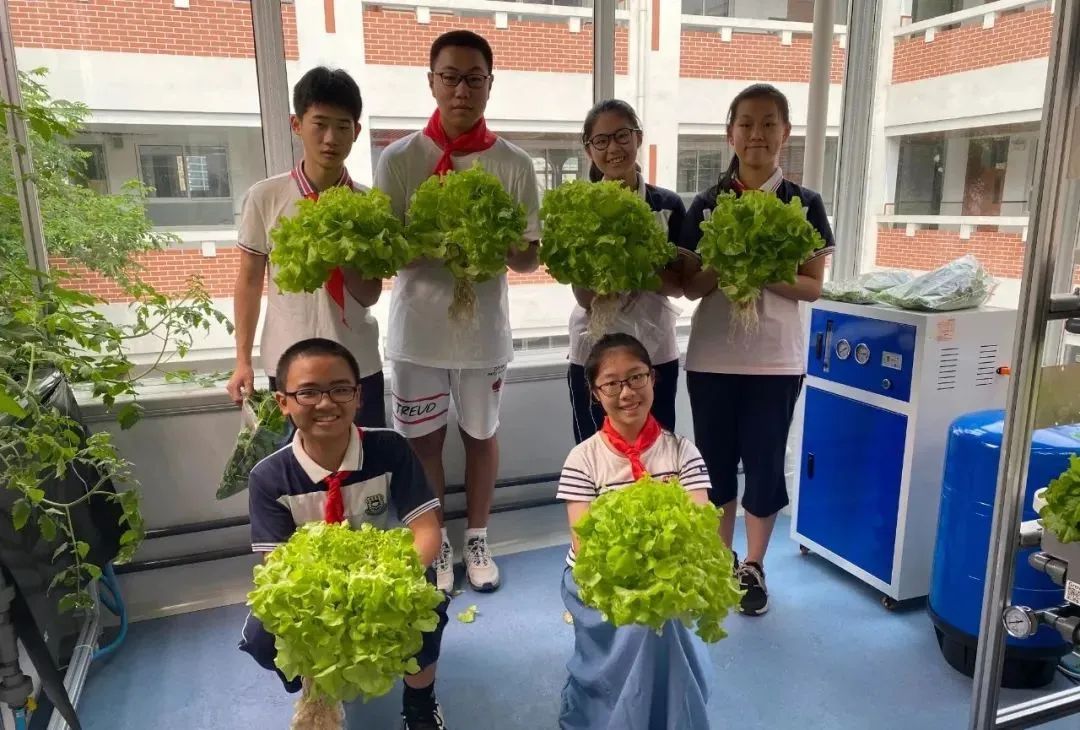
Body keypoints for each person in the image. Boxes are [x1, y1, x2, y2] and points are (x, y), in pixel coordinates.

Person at [373, 30, 541, 593]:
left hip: (483, 332)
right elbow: (387, 251)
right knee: (422, 442)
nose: (462, 89)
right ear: (432, 82)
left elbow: (528, 257)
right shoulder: (400, 159)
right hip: (417, 332)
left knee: (480, 436)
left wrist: (500, 246)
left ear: (490, 85)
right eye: (450, 77)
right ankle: (438, 541)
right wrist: (438, 242)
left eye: (474, 78)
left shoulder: (514, 163)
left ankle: (477, 538)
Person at [679, 83, 835, 617]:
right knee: (716, 467)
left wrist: (763, 269)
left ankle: (754, 565)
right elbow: (690, 287)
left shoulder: (804, 203)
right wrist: (726, 260)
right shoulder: (707, 203)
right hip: (712, 359)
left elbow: (812, 286)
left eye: (769, 123)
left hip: (776, 361)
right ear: (730, 134)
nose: (757, 134)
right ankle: (721, 561)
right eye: (746, 124)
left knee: (765, 467)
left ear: (785, 133)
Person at [238, 337, 449, 730]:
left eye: (339, 389)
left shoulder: (390, 448)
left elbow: (426, 531)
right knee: (263, 638)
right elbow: (276, 563)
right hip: (318, 594)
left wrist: (393, 582)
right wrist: (329, 605)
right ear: (283, 402)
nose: (326, 403)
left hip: (389, 577)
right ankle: (318, 685)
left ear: (358, 396)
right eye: (308, 392)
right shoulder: (269, 477)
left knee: (429, 610)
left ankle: (420, 703)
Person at [557, 333, 714, 730]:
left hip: (669, 578)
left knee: (662, 622)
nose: (626, 392)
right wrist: (640, 582)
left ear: (653, 378)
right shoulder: (582, 459)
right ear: (595, 394)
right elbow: (585, 545)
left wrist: (660, 578)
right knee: (648, 626)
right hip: (599, 581)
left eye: (636, 377)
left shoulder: (682, 451)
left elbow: (700, 528)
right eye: (611, 384)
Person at [226, 66, 386, 429]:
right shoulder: (265, 197)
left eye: (342, 127)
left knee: (364, 460)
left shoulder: (368, 204)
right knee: (295, 462)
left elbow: (370, 294)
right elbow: (249, 281)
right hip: (289, 366)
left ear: (356, 131)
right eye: (320, 124)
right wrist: (242, 361)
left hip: (357, 364)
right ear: (296, 124)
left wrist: (342, 250)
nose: (331, 138)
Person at [566, 99, 686, 444]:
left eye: (622, 136)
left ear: (638, 138)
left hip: (654, 350)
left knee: (656, 448)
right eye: (601, 141)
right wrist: (612, 269)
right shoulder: (577, 207)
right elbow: (584, 296)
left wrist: (636, 265)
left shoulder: (666, 205)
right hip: (594, 349)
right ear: (589, 149)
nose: (613, 148)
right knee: (597, 452)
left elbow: (680, 285)